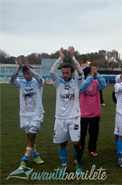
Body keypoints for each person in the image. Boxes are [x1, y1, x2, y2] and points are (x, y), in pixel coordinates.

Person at [50, 46, 84, 175]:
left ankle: (78, 164)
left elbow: (81, 73)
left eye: (67, 73)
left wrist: (73, 57)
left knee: (75, 143)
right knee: (62, 144)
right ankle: (64, 166)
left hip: (74, 117)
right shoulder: (58, 83)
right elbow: (52, 72)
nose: (64, 75)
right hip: (60, 118)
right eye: (63, 73)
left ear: (71, 73)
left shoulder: (77, 83)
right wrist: (61, 58)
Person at [10, 57, 45, 169]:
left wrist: (29, 67)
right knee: (30, 137)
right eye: (24, 73)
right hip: (24, 114)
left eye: (28, 73)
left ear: (32, 73)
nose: (26, 75)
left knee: (31, 136)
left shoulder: (39, 83)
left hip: (37, 114)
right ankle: (35, 155)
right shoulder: (21, 83)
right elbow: (12, 81)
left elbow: (39, 78)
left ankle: (24, 159)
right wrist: (19, 68)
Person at [79, 66, 107, 158]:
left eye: (93, 73)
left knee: (94, 134)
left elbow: (104, 85)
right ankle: (80, 152)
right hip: (83, 114)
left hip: (95, 114)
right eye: (90, 73)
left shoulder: (96, 82)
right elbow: (82, 89)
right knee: (81, 136)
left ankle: (92, 150)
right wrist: (91, 77)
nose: (92, 75)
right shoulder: (81, 83)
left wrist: (97, 75)